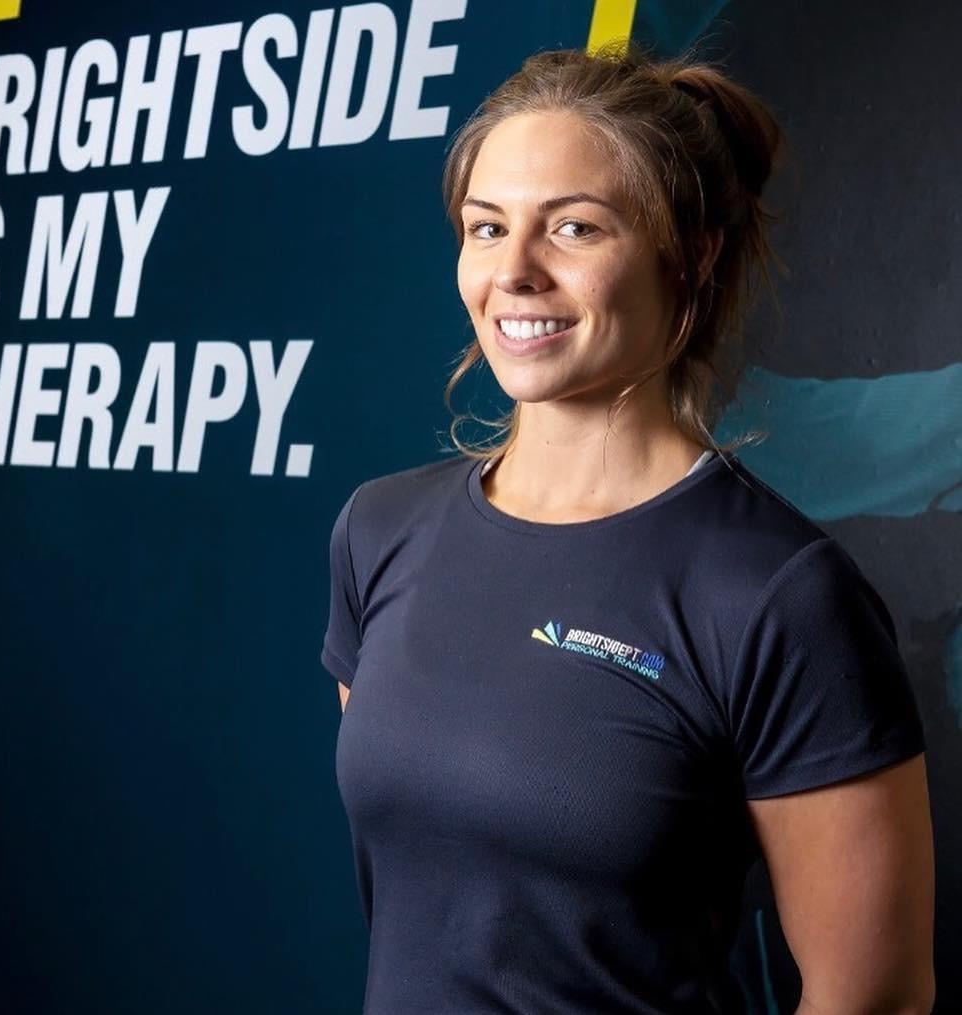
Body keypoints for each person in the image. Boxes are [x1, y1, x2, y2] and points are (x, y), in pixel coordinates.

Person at [320, 44, 935, 1015]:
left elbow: (878, 995)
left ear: (689, 253)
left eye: (574, 227)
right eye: (487, 227)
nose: (514, 272)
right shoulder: (380, 529)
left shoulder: (777, 593)